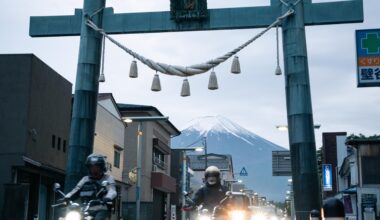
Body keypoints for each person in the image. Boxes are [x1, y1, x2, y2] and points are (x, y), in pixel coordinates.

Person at [64, 153, 117, 220]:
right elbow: (76, 189)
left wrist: (108, 198)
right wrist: (67, 197)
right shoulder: (85, 179)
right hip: (84, 208)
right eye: (91, 168)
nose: (94, 170)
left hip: (101, 207)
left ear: (102, 168)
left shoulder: (108, 178)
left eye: (96, 168)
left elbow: (112, 190)